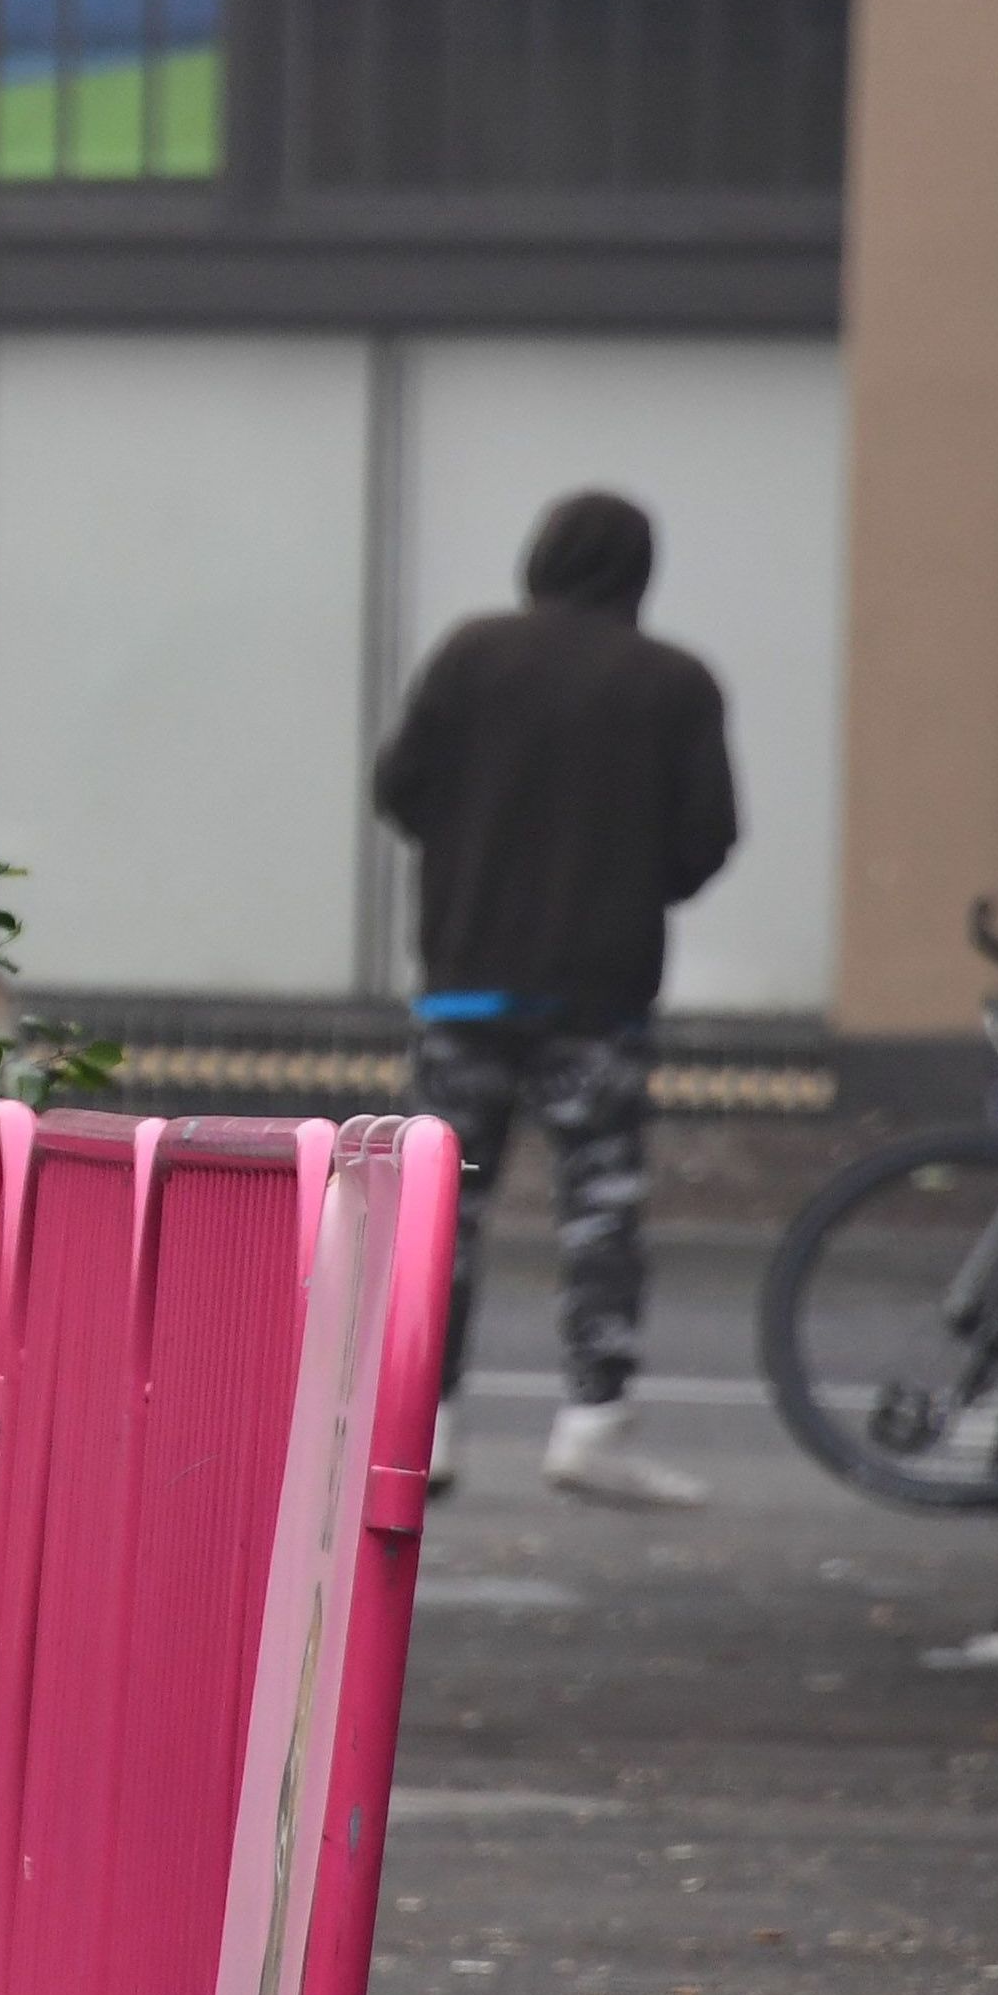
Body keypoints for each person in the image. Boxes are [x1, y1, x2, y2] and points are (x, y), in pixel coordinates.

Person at [372, 488, 737, 1509]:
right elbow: (704, 836)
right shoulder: (673, 683)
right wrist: (626, 881)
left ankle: (420, 1427)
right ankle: (591, 1423)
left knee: (442, 1209)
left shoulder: (470, 656)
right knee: (599, 1209)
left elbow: (399, 788)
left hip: (466, 984)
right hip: (598, 995)